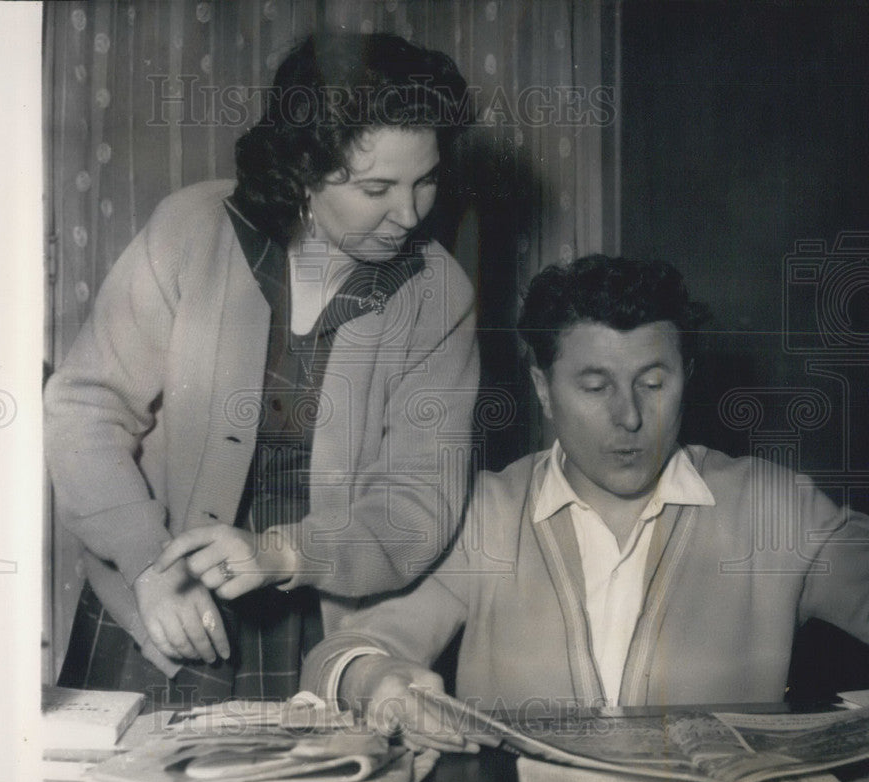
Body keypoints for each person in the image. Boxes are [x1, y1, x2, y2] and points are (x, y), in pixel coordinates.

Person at [44, 31, 479, 705]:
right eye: (376, 187)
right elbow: (84, 409)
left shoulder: (439, 295)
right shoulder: (190, 230)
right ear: (303, 167)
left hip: (316, 619)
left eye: (426, 180)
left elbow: (420, 503)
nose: (411, 213)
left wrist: (283, 554)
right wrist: (144, 561)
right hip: (154, 608)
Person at [300, 254, 869, 750]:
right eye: (595, 388)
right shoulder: (485, 516)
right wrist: (375, 680)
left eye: (653, 383)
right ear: (544, 390)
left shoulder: (775, 509)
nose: (629, 416)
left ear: (687, 377)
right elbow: (342, 652)